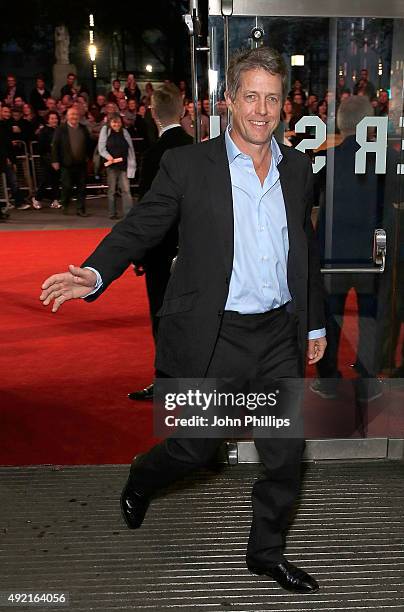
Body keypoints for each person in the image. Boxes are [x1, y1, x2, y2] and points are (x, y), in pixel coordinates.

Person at [40, 47, 326, 594]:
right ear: (230, 102)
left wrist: (312, 325)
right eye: (251, 96)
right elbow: (141, 226)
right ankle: (143, 477)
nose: (262, 109)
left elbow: (303, 250)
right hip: (212, 334)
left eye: (272, 97)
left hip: (274, 336)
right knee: (197, 449)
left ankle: (265, 554)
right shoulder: (189, 165)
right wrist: (97, 273)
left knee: (286, 454)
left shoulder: (297, 169)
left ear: (282, 105)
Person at [128, 83, 193, 401]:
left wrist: (139, 253)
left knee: (162, 315)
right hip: (196, 250)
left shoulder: (154, 155)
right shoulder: (197, 149)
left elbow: (147, 211)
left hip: (160, 251)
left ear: (152, 113)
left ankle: (167, 382)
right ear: (183, 111)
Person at [51, 106, 92, 216]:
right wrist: (55, 160)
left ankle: (80, 209)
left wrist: (90, 158)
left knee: (82, 187)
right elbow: (55, 145)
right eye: (71, 114)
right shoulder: (61, 129)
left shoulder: (83, 128)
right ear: (67, 116)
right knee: (67, 186)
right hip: (66, 163)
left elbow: (89, 144)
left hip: (81, 163)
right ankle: (65, 203)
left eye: (76, 114)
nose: (74, 116)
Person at [97, 113, 136, 219]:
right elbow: (101, 148)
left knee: (126, 190)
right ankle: (112, 213)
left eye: (118, 122)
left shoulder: (125, 132)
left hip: (123, 165)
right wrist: (109, 158)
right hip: (111, 166)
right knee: (112, 190)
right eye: (114, 122)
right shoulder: (105, 131)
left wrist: (132, 164)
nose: (116, 124)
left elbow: (130, 149)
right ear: (110, 122)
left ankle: (129, 213)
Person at [32, 111, 61, 210]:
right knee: (45, 180)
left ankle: (55, 200)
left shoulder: (59, 130)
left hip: (58, 158)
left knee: (56, 181)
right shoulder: (44, 131)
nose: (54, 120)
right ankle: (36, 198)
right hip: (47, 159)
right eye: (52, 118)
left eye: (56, 118)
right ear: (48, 120)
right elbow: (40, 147)